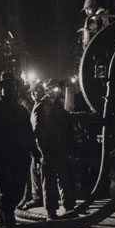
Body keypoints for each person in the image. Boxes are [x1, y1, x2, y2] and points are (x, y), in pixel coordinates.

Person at [0, 72, 38, 228]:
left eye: (13, 88)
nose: (12, 90)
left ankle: (1, 223)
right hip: (1, 160)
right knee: (7, 193)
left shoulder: (21, 111)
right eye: (8, 88)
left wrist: (36, 153)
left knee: (17, 194)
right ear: (2, 90)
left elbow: (29, 135)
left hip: (20, 159)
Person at [31, 78, 76, 219]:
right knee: (49, 182)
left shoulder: (59, 105)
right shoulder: (41, 106)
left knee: (64, 178)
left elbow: (67, 129)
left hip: (61, 149)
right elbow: (37, 132)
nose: (55, 91)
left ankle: (69, 207)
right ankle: (51, 211)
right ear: (46, 90)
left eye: (56, 89)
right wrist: (43, 152)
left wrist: (70, 149)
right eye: (52, 89)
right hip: (49, 151)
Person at [19, 81, 44, 210]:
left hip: (40, 143)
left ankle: (38, 197)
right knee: (34, 170)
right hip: (36, 142)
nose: (33, 94)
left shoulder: (41, 105)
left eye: (36, 91)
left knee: (38, 170)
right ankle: (34, 196)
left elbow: (37, 127)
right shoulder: (36, 105)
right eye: (32, 92)